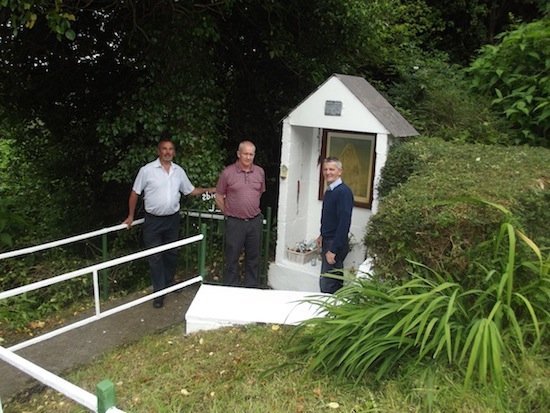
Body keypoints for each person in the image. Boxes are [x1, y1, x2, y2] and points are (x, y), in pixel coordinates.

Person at [123, 138, 216, 308]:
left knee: (171, 254)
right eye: (164, 149)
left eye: (171, 149)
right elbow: (135, 193)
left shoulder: (178, 171)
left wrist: (208, 190)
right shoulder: (147, 170)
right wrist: (130, 216)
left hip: (172, 220)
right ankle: (159, 293)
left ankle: (167, 282)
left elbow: (190, 190)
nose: (167, 152)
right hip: (153, 221)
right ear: (159, 151)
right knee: (155, 256)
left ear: (174, 152)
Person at [215, 140, 265, 288]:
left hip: (254, 221)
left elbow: (259, 194)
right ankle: (231, 290)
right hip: (235, 222)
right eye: (245, 154)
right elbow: (218, 197)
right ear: (238, 154)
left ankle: (251, 289)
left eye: (251, 154)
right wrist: (229, 213)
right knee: (231, 259)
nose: (248, 157)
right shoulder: (228, 173)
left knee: (253, 259)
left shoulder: (260, 172)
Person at [316, 157, 354, 294]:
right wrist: (322, 234)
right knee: (334, 280)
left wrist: (333, 249)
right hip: (328, 239)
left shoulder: (343, 192)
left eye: (331, 169)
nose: (328, 172)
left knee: (328, 283)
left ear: (340, 172)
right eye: (325, 169)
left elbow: (344, 223)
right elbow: (330, 218)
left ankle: (329, 313)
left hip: (335, 243)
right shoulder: (330, 191)